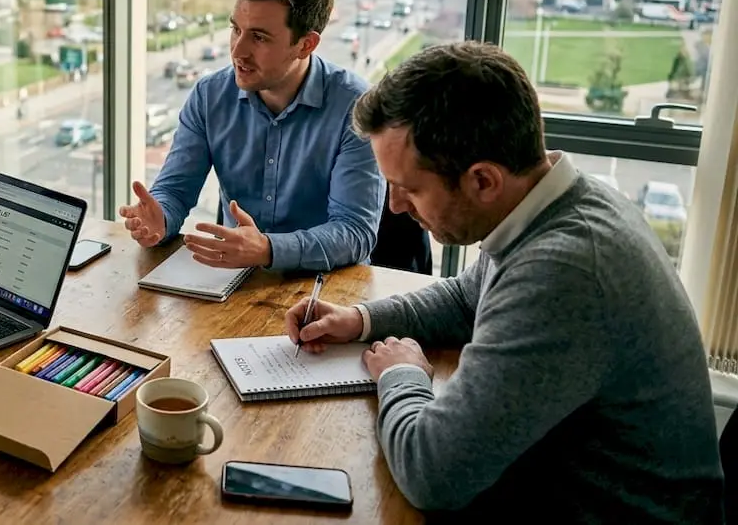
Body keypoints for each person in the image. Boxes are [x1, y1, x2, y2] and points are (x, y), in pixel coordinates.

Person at [284, 41, 722, 521]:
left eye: (410, 188)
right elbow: (468, 296)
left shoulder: (565, 272)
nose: (395, 207)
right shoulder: (554, 204)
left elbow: (432, 473)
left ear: (484, 181)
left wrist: (400, 372)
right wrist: (359, 319)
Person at [119, 0, 384, 272]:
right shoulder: (209, 96)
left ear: (305, 44)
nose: (237, 51)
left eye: (259, 37)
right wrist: (159, 219)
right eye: (235, 29)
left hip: (326, 288)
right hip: (234, 281)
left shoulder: (355, 108)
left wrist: (268, 249)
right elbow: (174, 191)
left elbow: (355, 232)